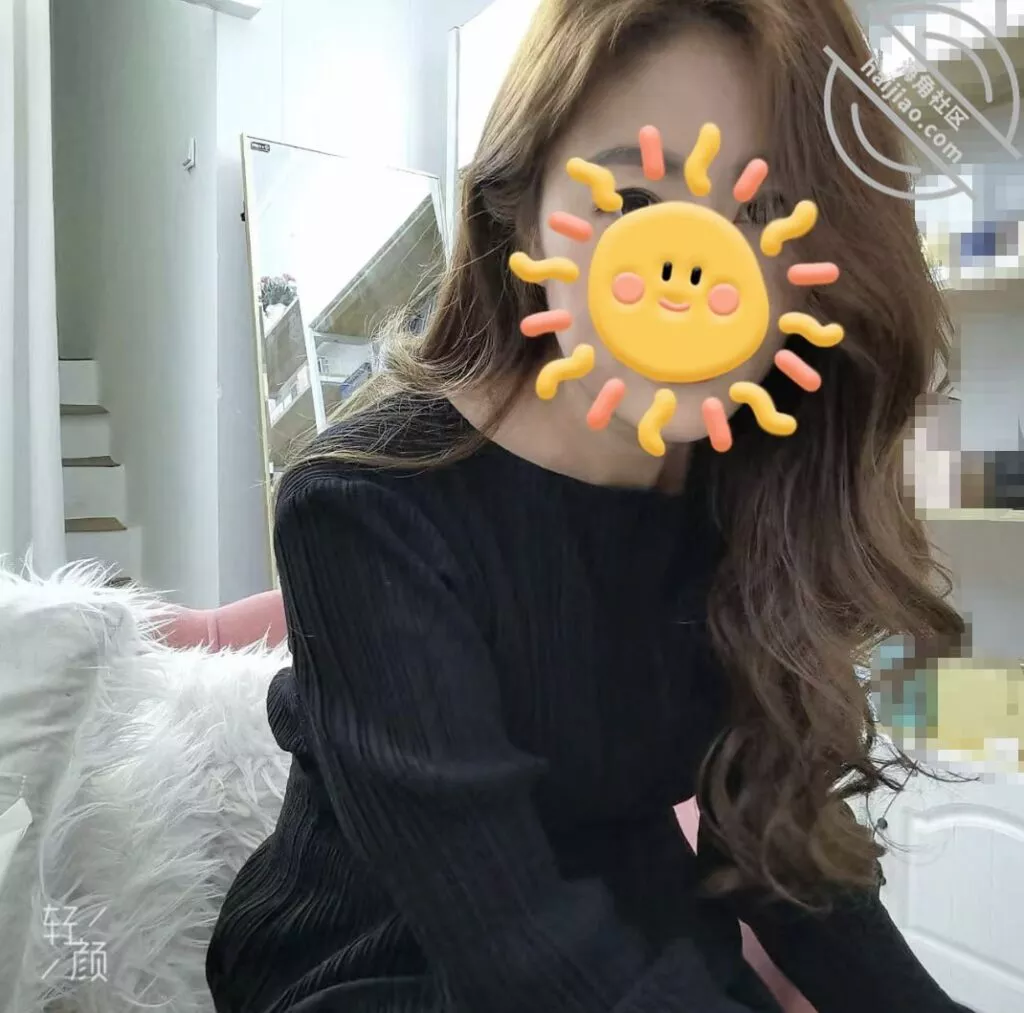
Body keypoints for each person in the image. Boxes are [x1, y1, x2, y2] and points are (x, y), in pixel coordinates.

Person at [207, 0, 975, 1010]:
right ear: (521, 214)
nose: (696, 278)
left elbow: (777, 843)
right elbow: (509, 940)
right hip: (385, 961)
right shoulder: (363, 507)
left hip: (627, 928)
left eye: (764, 215)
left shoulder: (750, 492)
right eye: (633, 201)